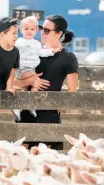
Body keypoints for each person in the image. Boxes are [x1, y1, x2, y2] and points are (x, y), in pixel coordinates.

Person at [13, 14, 79, 150]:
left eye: (47, 30)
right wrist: (31, 81)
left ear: (59, 33)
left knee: (50, 164)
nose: (43, 32)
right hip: (26, 115)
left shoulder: (68, 57)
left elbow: (73, 91)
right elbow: (12, 82)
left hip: (49, 117)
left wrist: (58, 104)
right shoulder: (30, 52)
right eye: (42, 28)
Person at [12, 16, 62, 120]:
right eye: (26, 29)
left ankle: (27, 105)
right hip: (21, 69)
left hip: (31, 69)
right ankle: (23, 105)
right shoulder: (18, 42)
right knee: (35, 79)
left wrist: (52, 51)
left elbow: (42, 52)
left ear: (36, 30)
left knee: (32, 87)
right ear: (21, 30)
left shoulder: (37, 44)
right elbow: (12, 52)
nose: (29, 31)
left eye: (32, 29)